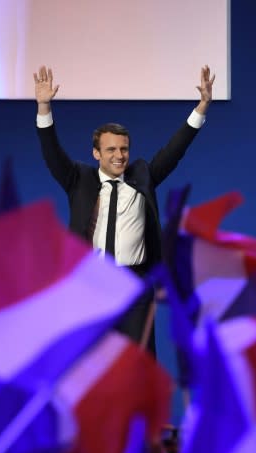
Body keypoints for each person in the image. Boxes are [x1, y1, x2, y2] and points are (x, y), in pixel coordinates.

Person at [34, 65, 215, 355]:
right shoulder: (78, 179)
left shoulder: (142, 175)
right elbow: (52, 154)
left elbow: (174, 151)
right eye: (111, 150)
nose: (119, 156)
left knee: (137, 365)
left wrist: (202, 108)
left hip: (135, 285)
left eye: (124, 149)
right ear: (96, 153)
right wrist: (44, 107)